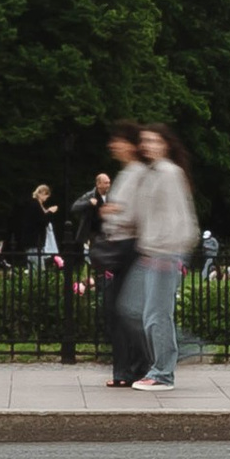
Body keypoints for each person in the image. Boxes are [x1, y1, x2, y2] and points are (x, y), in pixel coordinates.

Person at [124, 125, 197, 391]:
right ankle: (184, 349)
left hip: (165, 253)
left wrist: (171, 253)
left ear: (166, 144)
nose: (149, 145)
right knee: (132, 308)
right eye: (146, 141)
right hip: (150, 252)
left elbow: (182, 218)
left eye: (155, 141)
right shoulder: (152, 174)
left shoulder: (169, 173)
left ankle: (163, 374)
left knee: (156, 314)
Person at [95, 131, 148, 388]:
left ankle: (131, 370)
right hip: (122, 244)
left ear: (130, 145)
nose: (113, 146)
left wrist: (114, 211)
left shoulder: (137, 173)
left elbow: (139, 211)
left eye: (118, 141)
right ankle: (127, 370)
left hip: (130, 245)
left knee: (122, 310)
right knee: (119, 310)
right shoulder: (128, 173)